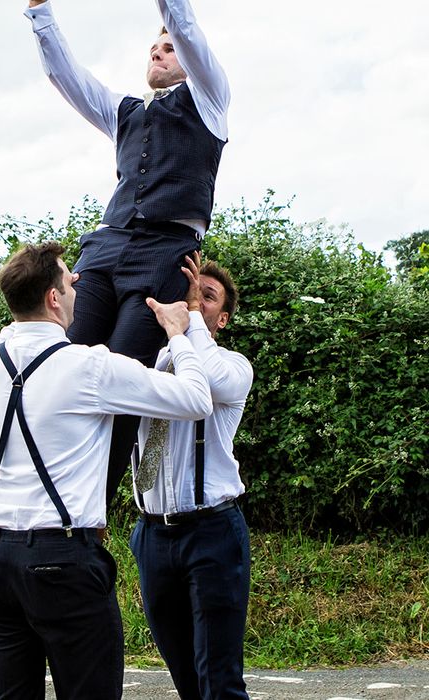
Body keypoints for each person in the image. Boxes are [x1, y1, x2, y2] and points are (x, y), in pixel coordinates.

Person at [0, 241, 213, 700]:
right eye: (68, 278)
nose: (78, 283)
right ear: (53, 298)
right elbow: (197, 400)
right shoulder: (90, 368)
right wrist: (180, 334)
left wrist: (39, 284)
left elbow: (15, 325)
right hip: (63, 562)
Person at [24, 0, 231, 505]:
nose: (159, 53)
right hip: (107, 244)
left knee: (122, 376)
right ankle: (41, 489)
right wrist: (39, 10)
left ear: (187, 58)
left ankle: (88, 508)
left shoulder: (209, 99)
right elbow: (64, 75)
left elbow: (184, 25)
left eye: (169, 49)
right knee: (61, 361)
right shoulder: (125, 112)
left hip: (164, 249)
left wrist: (175, 24)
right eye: (153, 49)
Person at [130, 252, 253, 700]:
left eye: (208, 295)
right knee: (184, 675)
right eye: (190, 291)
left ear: (221, 319)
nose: (194, 298)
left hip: (212, 531)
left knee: (218, 678)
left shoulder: (234, 367)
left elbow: (211, 381)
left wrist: (189, 324)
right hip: (152, 535)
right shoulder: (149, 363)